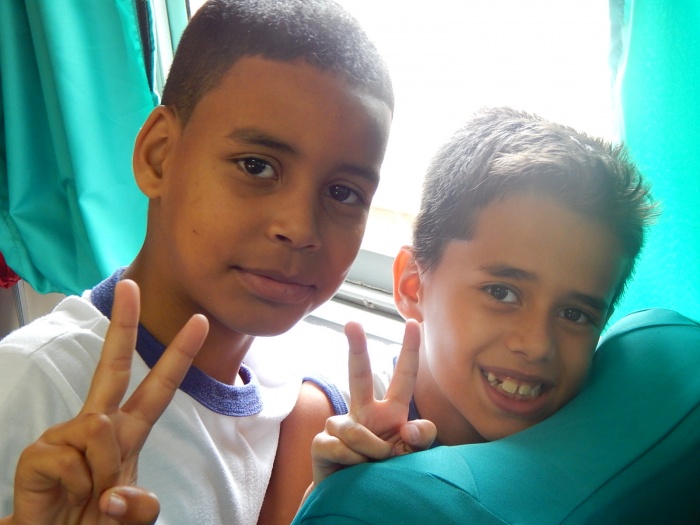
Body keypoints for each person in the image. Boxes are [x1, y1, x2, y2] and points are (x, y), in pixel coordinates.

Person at [0, 1, 435, 523]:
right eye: (256, 166)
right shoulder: (33, 387)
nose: (299, 228)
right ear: (159, 155)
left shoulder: (285, 379)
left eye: (343, 193)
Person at [302, 106, 658, 495]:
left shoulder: (584, 452)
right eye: (502, 293)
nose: (537, 345)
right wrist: (332, 502)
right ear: (412, 286)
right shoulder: (329, 425)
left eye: (574, 314)